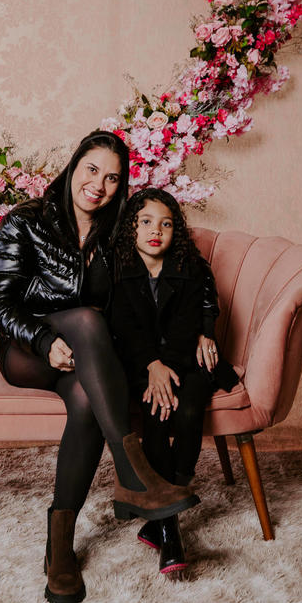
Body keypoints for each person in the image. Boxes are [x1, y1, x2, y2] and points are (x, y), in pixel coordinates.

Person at [0, 130, 201, 603]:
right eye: (92, 169)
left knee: (84, 398)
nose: (99, 185)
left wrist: (199, 330)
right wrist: (44, 341)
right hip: (26, 350)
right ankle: (130, 470)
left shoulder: (117, 234)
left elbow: (168, 280)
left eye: (112, 178)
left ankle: (59, 546)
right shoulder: (27, 221)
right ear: (74, 165)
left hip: (87, 361)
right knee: (85, 318)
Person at [107, 188, 239, 575]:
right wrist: (152, 365)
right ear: (131, 227)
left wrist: (173, 363)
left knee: (190, 408)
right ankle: (169, 527)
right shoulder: (116, 267)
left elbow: (192, 319)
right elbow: (122, 329)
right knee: (156, 411)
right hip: (138, 364)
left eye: (166, 224)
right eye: (146, 222)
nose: (156, 231)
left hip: (185, 360)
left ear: (175, 231)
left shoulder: (188, 265)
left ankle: (167, 512)